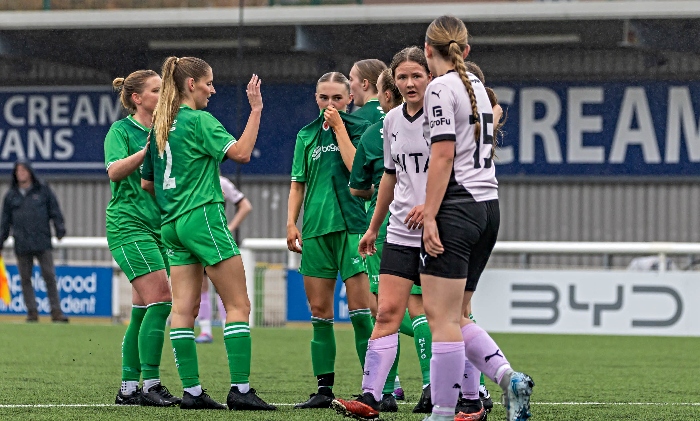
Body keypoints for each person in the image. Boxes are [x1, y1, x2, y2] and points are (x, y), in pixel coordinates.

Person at [141, 56, 275, 411]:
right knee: (238, 304)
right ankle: (241, 391)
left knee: (184, 311)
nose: (212, 90)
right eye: (208, 83)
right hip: (201, 216)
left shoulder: (159, 125)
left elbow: (146, 183)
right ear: (191, 85)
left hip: (171, 224)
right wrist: (256, 109)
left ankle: (193, 393)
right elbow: (243, 153)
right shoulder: (199, 120)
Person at [420, 16, 534, 421]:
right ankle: (508, 379)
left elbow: (443, 155)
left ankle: (443, 413)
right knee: (459, 314)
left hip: (457, 206)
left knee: (442, 319)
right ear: (465, 50)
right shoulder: (478, 92)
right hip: (488, 208)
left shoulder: (440, 87)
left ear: (429, 50)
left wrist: (430, 214)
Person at [332, 47, 439, 420]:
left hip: (437, 227)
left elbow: (455, 170)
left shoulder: (443, 118)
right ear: (393, 81)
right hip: (397, 230)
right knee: (388, 311)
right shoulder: (391, 120)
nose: (410, 83)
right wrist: (373, 227)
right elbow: (390, 177)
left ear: (431, 77)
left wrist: (432, 208)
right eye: (403, 77)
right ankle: (371, 396)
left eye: (417, 76)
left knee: (441, 314)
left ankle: (457, 389)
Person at [287, 72, 373, 409]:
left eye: (337, 98)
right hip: (315, 230)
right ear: (316, 98)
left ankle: (373, 387)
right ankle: (323, 390)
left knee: (361, 312)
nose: (330, 104)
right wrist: (290, 224)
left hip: (353, 227)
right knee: (320, 313)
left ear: (349, 98)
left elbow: (358, 172)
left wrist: (339, 128)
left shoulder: (360, 129)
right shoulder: (305, 135)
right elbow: (298, 183)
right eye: (324, 98)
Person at [104, 70, 180, 407]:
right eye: (156, 89)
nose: (164, 94)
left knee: (142, 310)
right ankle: (151, 383)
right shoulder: (121, 131)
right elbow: (113, 171)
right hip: (129, 226)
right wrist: (145, 152)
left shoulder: (168, 130)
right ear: (137, 98)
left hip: (158, 229)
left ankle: (128, 388)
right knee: (162, 301)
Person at [0, 160, 68, 323]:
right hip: (22, 243)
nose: (21, 173)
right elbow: (5, 221)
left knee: (49, 277)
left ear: (30, 172)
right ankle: (32, 312)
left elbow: (54, 210)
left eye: (23, 170)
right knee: (25, 279)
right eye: (18, 171)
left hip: (42, 241)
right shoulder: (11, 196)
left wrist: (60, 228)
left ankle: (56, 312)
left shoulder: (43, 191)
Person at [195, 176, 253, 344]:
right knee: (202, 287)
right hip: (198, 239)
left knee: (224, 288)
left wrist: (231, 227)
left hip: (216, 239)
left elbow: (245, 206)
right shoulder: (195, 177)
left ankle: (228, 326)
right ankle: (205, 330)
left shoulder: (221, 182)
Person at [349, 59, 387, 125]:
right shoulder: (400, 114)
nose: (349, 84)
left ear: (364, 84)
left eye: (351, 79)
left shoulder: (354, 120)